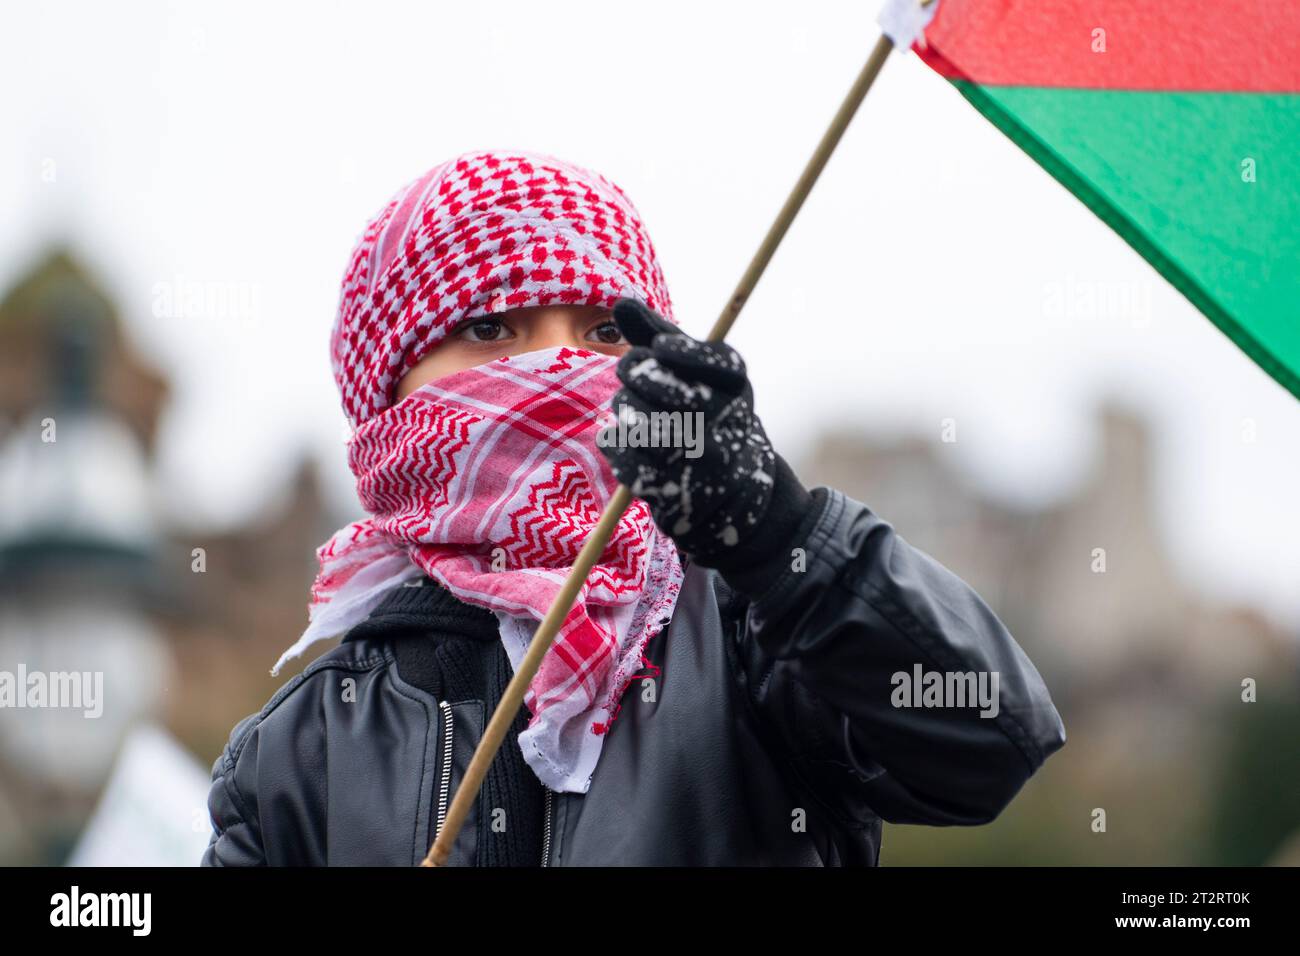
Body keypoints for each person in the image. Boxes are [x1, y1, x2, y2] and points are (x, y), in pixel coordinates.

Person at [201, 148, 1066, 867]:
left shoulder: (755, 643)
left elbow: (991, 740)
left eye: (605, 333)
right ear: (388, 386)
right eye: (494, 330)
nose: (556, 369)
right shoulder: (301, 751)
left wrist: (778, 532)